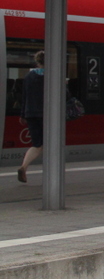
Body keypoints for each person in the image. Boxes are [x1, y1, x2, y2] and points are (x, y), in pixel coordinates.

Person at [17, 51, 45, 183]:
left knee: (37, 144)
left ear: (37, 61)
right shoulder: (53, 75)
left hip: (31, 113)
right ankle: (52, 171)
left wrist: (23, 114)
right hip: (48, 114)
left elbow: (25, 96)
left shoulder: (29, 76)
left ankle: (24, 166)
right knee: (51, 143)